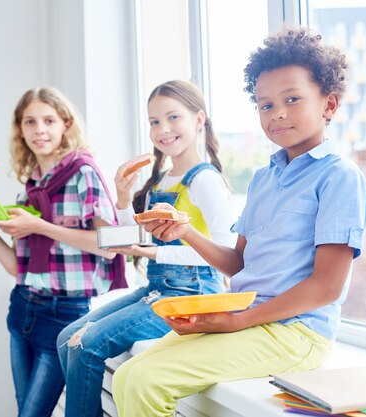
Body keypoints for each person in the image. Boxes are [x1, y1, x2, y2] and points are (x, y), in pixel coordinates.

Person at [111, 27, 366, 417]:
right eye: (265, 105)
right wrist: (186, 232)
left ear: (329, 104)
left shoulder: (340, 177)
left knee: (148, 381)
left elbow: (326, 288)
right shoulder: (263, 179)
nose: (278, 112)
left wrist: (238, 322)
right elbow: (239, 264)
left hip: (297, 332)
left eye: (292, 99)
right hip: (250, 316)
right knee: (125, 377)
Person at [56, 80, 237, 417]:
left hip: (191, 294)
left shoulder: (204, 180)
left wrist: (152, 253)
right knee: (68, 338)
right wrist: (123, 198)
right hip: (156, 289)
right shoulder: (163, 178)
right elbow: (136, 238)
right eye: (154, 121)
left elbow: (224, 251)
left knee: (84, 346)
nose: (162, 129)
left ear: (199, 119)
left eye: (173, 117)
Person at [0, 87, 126, 417]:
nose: (40, 130)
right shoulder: (31, 190)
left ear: (65, 124)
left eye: (48, 120)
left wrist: (40, 227)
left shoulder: (83, 174)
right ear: (20, 129)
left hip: (66, 314)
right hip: (22, 308)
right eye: (30, 122)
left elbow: (110, 245)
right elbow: (14, 267)